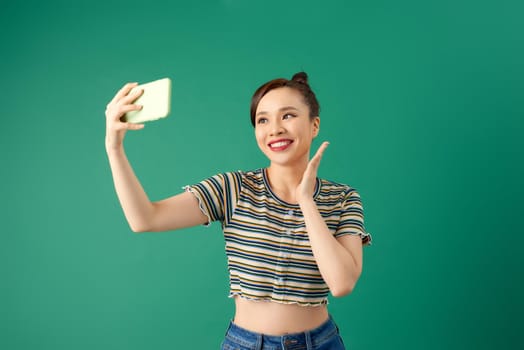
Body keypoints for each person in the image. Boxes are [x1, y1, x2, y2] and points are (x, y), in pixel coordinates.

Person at [105, 72, 372, 349]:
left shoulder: (343, 198)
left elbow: (342, 283)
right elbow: (145, 218)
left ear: (314, 125)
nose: (275, 129)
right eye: (263, 120)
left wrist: (305, 200)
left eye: (288, 116)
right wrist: (114, 148)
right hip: (245, 343)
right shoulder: (234, 188)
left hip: (320, 343)